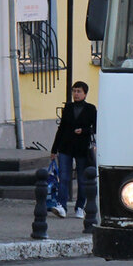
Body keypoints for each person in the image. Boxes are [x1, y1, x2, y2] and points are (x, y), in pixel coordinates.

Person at [50, 81, 97, 219]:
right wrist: (54, 149)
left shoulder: (90, 109)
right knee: (64, 177)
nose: (76, 94)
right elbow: (62, 128)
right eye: (74, 91)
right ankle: (62, 206)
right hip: (66, 146)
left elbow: (96, 127)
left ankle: (80, 207)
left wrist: (83, 131)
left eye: (79, 91)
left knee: (82, 179)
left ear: (85, 94)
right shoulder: (68, 107)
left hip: (82, 148)